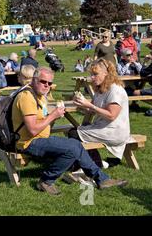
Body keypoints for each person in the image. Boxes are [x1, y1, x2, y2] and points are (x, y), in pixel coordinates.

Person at [11, 67, 128, 195]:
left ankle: (100, 179)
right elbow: (33, 130)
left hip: (40, 139)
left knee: (74, 145)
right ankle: (47, 180)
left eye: (49, 83)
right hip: (29, 142)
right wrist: (53, 115)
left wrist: (52, 115)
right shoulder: (27, 97)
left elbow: (41, 121)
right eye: (43, 81)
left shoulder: (38, 96)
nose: (46, 85)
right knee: (73, 146)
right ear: (34, 79)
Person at [71, 59, 132, 169]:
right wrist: (82, 104)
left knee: (74, 134)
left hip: (115, 131)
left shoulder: (115, 90)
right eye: (91, 74)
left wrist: (90, 106)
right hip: (104, 127)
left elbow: (111, 115)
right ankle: (88, 163)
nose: (92, 78)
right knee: (77, 129)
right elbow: (93, 110)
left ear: (106, 73)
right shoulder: (100, 89)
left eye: (95, 74)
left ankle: (92, 165)